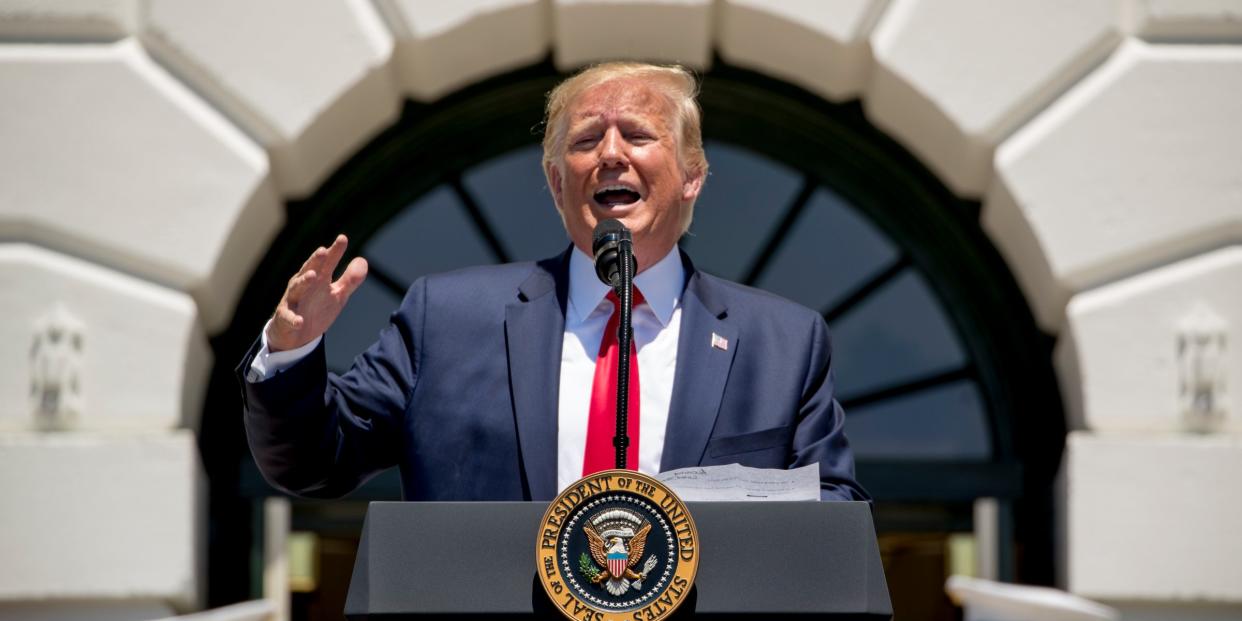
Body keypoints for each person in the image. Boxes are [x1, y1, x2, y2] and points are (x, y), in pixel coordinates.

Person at [238, 61, 869, 502]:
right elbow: (314, 464)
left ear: (692, 176)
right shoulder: (448, 319)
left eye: (639, 136)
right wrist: (292, 350)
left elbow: (832, 517)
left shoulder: (782, 343)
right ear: (556, 182)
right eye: (588, 139)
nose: (611, 154)